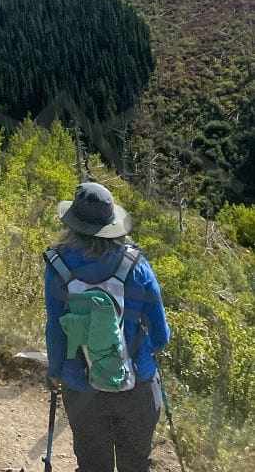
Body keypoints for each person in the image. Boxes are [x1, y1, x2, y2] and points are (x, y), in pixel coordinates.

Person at [44, 181, 171, 472]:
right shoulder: (136, 265)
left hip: (81, 388)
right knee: (136, 465)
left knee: (92, 466)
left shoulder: (57, 266)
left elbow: (55, 330)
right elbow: (161, 337)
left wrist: (54, 372)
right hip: (137, 386)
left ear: (73, 223)